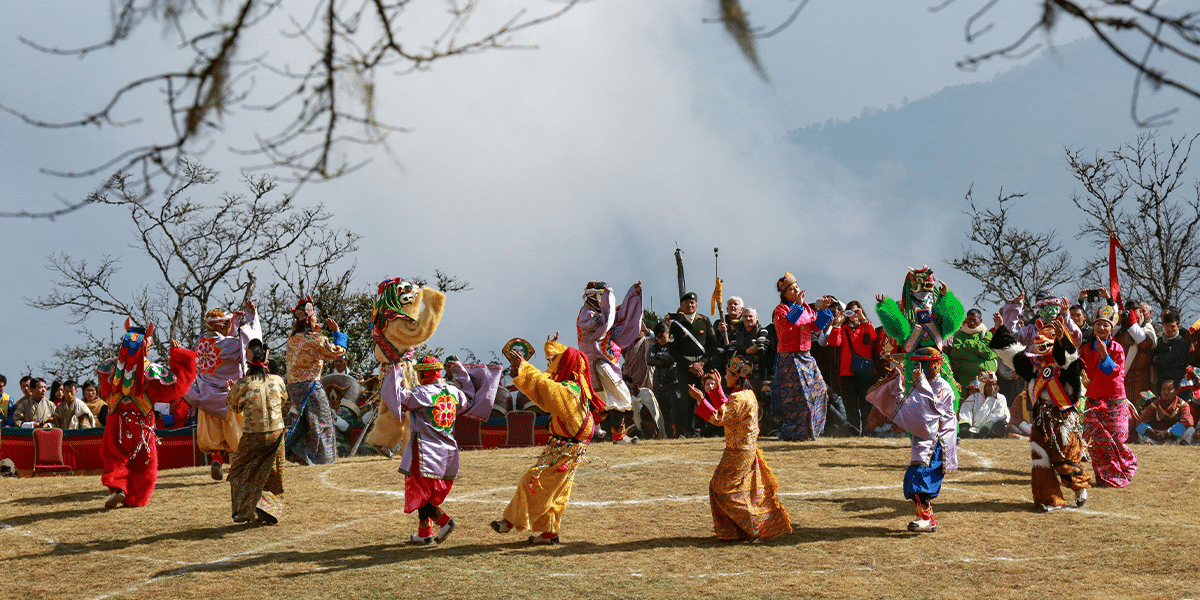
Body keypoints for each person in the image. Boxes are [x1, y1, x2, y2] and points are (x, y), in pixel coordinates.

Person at [491, 334, 604, 545]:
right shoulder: (576, 387)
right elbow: (553, 374)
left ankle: (510, 520)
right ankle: (549, 533)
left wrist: (525, 367)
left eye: (556, 361)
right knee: (557, 491)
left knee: (532, 481)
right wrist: (551, 346)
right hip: (566, 446)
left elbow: (545, 389)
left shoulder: (570, 391)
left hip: (566, 447)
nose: (552, 364)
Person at [385, 356, 498, 544]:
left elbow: (395, 397)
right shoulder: (454, 393)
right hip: (447, 450)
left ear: (423, 374)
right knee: (428, 493)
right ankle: (424, 533)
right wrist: (460, 370)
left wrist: (395, 369)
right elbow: (469, 396)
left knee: (419, 492)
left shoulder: (420, 394)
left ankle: (444, 521)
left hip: (424, 449)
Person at [95, 320, 197, 508]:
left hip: (116, 421)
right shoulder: (152, 371)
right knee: (144, 462)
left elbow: (104, 388)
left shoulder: (109, 368)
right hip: (141, 422)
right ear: (147, 348)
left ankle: (118, 486)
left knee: (114, 455)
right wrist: (179, 356)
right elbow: (176, 388)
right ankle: (135, 497)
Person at [991, 319, 1091, 510]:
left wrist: (1063, 341)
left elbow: (1070, 367)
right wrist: (1001, 330)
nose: (1041, 340)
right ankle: (1050, 499)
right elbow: (1013, 356)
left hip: (1063, 419)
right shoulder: (1035, 364)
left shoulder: (1070, 364)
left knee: (1064, 458)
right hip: (1040, 419)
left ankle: (1079, 488)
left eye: (1050, 337)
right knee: (1040, 459)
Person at [690, 367, 791, 541]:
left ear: (736, 377)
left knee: (721, 490)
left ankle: (755, 524)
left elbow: (719, 417)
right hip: (744, 449)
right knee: (730, 489)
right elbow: (727, 408)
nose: (725, 376)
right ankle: (735, 530)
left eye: (728, 373)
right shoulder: (747, 394)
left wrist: (700, 400)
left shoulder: (739, 397)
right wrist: (717, 390)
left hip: (738, 451)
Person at [872, 347, 957, 532]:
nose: (921, 368)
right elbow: (909, 408)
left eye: (925, 364)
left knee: (919, 478)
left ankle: (926, 519)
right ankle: (927, 519)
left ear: (935, 365)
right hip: (924, 441)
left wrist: (919, 383)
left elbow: (931, 408)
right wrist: (898, 383)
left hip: (937, 442)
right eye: (918, 364)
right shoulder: (922, 383)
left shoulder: (942, 386)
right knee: (916, 480)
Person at [874, 266, 966, 412]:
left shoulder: (936, 304)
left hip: (937, 359)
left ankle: (947, 430)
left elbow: (950, 324)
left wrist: (945, 297)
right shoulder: (905, 308)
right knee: (915, 398)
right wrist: (886, 307)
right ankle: (919, 432)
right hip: (915, 360)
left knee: (946, 394)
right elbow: (899, 331)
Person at [187, 302, 261, 480]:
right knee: (237, 435)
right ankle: (236, 467)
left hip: (207, 399)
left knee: (214, 436)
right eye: (226, 323)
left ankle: (217, 460)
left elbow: (222, 338)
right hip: (229, 399)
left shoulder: (201, 343)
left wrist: (233, 322)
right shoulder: (231, 345)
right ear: (221, 326)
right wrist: (251, 315)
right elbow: (249, 341)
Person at [226, 339, 288, 524]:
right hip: (276, 433)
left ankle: (244, 510)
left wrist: (231, 390)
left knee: (238, 470)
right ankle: (269, 510)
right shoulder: (278, 380)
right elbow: (283, 401)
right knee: (273, 470)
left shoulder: (243, 383)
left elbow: (233, 406)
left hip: (254, 434)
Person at [1078, 304, 1138, 488]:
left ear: (1112, 328)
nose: (1101, 328)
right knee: (1097, 440)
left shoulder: (1117, 348)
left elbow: (1115, 373)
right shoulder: (1085, 349)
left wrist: (1105, 355)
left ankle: (1127, 466)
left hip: (1114, 399)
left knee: (1116, 440)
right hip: (1093, 398)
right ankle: (1105, 476)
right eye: (1098, 324)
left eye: (1106, 325)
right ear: (1093, 326)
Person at [576, 281, 643, 443]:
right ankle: (617, 436)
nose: (602, 300)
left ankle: (594, 424)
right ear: (592, 296)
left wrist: (632, 295)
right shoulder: (586, 314)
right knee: (620, 396)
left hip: (604, 360)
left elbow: (614, 316)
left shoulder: (598, 314)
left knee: (605, 399)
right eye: (600, 296)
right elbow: (604, 322)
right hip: (597, 361)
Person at [285, 296, 348, 465]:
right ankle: (318, 458)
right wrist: (337, 332)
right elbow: (338, 352)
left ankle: (296, 453)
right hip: (310, 385)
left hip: (294, 387)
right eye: (315, 317)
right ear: (308, 319)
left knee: (304, 422)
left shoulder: (292, 339)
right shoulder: (315, 340)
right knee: (321, 422)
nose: (317, 319)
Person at [771, 272, 832, 441]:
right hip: (790, 358)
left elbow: (816, 327)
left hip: (806, 355)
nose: (796, 289)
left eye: (796, 286)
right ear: (784, 294)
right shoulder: (781, 309)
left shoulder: (805, 307)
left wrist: (824, 310)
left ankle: (814, 429)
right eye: (791, 288)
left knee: (819, 390)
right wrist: (797, 306)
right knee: (798, 397)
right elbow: (785, 328)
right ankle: (795, 432)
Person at [823, 300, 878, 435]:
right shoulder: (843, 328)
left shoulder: (865, 326)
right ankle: (854, 429)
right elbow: (834, 342)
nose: (853, 314)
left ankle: (867, 429)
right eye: (850, 312)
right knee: (851, 404)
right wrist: (838, 325)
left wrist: (864, 319)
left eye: (856, 311)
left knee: (866, 403)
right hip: (847, 372)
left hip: (865, 371)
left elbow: (874, 336)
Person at [666, 292, 716, 437]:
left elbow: (712, 346)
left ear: (697, 305)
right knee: (687, 400)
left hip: (703, 367)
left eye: (693, 303)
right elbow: (673, 351)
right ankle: (688, 430)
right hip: (685, 368)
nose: (690, 305)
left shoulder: (704, 320)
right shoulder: (676, 324)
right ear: (681, 306)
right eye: (687, 303)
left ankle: (707, 428)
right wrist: (690, 365)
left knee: (706, 397)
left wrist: (701, 363)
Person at [944, 308, 997, 397]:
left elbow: (989, 353)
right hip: (964, 379)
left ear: (980, 321)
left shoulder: (987, 335)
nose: (972, 323)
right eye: (969, 320)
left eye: (974, 320)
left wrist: (969, 344)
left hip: (984, 380)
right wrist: (978, 355)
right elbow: (956, 352)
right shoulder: (959, 335)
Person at [1136, 380, 1194, 445]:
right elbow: (1141, 421)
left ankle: (1181, 445)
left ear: (1176, 391)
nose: (1165, 392)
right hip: (1157, 436)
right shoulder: (1155, 404)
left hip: (1174, 436)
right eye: (1163, 389)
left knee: (1190, 430)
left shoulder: (1183, 405)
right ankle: (1150, 443)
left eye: (1169, 389)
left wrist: (1168, 433)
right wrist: (1151, 432)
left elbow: (1186, 422)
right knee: (1140, 429)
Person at [646, 322, 679, 437]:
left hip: (673, 382)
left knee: (675, 411)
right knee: (663, 412)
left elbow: (672, 358)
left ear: (668, 334)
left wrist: (660, 357)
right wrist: (664, 359)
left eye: (663, 336)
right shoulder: (654, 346)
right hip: (659, 383)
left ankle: (679, 434)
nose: (660, 339)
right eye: (658, 337)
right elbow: (649, 359)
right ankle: (668, 435)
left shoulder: (673, 345)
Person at [956, 371, 1008, 439]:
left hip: (989, 430)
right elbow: (965, 412)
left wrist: (986, 428)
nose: (992, 388)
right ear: (983, 386)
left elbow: (999, 415)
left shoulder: (1000, 398)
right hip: (973, 430)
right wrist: (965, 426)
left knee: (999, 425)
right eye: (989, 385)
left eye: (994, 385)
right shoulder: (973, 397)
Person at [1153, 312, 1190, 385]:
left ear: (1178, 326)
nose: (1169, 329)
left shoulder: (1180, 342)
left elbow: (1168, 361)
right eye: (1167, 326)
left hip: (1176, 382)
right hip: (1161, 381)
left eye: (1173, 326)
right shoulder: (1160, 341)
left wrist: (1157, 359)